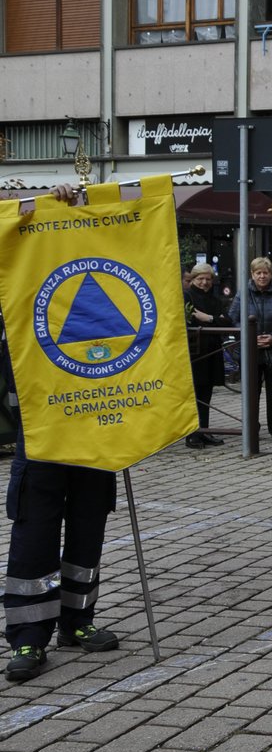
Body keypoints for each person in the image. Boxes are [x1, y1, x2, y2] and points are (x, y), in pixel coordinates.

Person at [4, 185, 122, 683]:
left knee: (89, 522)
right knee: (35, 528)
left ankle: (78, 620)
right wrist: (40, 208)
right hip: (42, 425)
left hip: (94, 421)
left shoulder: (87, 280)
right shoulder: (18, 277)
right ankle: (29, 640)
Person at [228, 257, 272, 443]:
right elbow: (233, 318)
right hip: (251, 349)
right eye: (258, 273)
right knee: (251, 390)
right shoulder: (243, 294)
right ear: (252, 274)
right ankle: (251, 427)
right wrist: (249, 336)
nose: (262, 276)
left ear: (271, 274)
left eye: (265, 272)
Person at [184, 263, 229, 449]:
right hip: (194, 352)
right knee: (194, 394)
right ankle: (192, 434)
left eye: (208, 279)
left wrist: (209, 318)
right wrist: (213, 319)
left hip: (212, 350)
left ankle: (205, 430)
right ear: (193, 279)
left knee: (207, 393)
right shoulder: (187, 296)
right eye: (200, 278)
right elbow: (189, 319)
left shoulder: (215, 299)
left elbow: (226, 321)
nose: (204, 282)